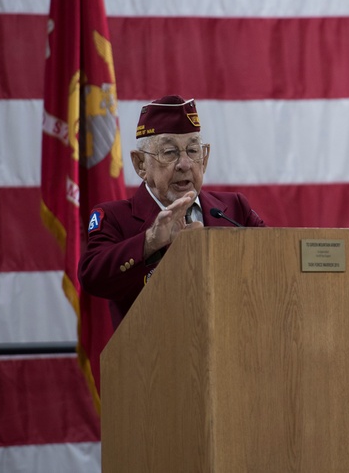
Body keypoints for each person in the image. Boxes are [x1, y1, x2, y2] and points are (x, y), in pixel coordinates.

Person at [80, 95, 265, 327]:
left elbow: (275, 264)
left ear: (204, 159)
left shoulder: (235, 209)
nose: (185, 164)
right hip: (153, 358)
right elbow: (92, 277)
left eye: (193, 150)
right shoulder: (115, 218)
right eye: (169, 152)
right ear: (140, 165)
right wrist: (150, 242)